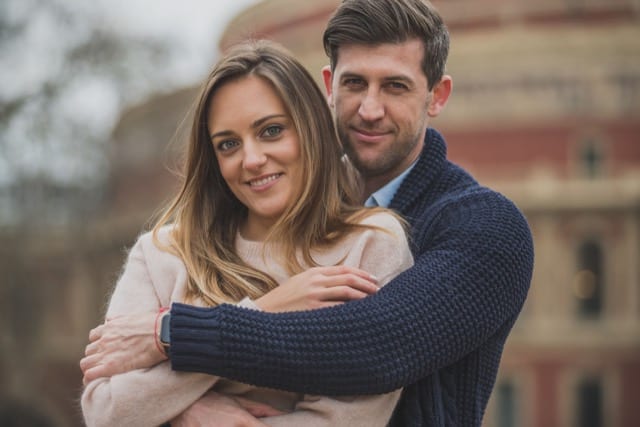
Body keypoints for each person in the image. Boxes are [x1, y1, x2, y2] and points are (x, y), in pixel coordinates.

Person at [81, 0, 535, 425]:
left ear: (437, 95)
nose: (370, 109)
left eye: (395, 86)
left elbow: (375, 347)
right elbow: (105, 404)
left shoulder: (485, 227)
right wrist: (185, 413)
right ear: (328, 87)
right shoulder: (231, 220)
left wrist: (172, 334)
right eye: (354, 83)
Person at [80, 39, 414, 427]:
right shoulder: (162, 254)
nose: (252, 160)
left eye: (271, 131)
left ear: (311, 129)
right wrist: (267, 311)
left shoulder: (370, 244)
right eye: (228, 144)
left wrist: (169, 404)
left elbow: (348, 418)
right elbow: (105, 410)